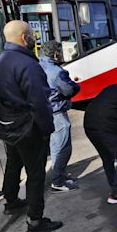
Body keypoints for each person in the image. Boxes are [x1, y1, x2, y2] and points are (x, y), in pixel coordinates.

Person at [0, 20, 62, 232]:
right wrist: (46, 129)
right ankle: (35, 220)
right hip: (28, 128)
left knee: (14, 163)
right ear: (25, 38)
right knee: (35, 174)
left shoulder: (1, 60)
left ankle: (11, 200)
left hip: (8, 127)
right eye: (32, 34)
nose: (35, 37)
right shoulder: (28, 65)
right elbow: (40, 103)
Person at [39, 40, 80, 192]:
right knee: (62, 148)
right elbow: (69, 90)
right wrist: (76, 84)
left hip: (46, 111)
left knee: (56, 146)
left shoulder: (39, 65)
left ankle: (60, 175)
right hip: (57, 112)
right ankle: (58, 181)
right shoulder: (57, 72)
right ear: (56, 54)